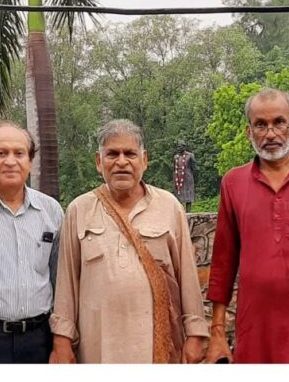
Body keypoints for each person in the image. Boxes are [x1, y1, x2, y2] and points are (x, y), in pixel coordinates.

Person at [50, 119, 208, 364]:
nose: (121, 162)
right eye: (112, 154)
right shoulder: (79, 210)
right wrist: (62, 342)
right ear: (98, 162)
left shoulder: (168, 207)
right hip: (97, 348)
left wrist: (196, 334)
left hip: (155, 347)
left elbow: (187, 275)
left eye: (130, 154)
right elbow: (66, 283)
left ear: (144, 160)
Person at [206, 89, 289, 363]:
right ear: (249, 132)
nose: (271, 134)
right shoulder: (233, 183)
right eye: (261, 125)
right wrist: (217, 331)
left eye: (279, 122)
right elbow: (224, 261)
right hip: (255, 326)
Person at [0, 121, 64, 364]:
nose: (10, 161)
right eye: (1, 153)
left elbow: (60, 278)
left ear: (30, 161)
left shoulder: (50, 211)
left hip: (40, 338)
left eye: (19, 153)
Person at [173, 141, 196, 212]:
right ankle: (180, 211)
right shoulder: (176, 157)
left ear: (184, 147)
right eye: (177, 147)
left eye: (180, 146)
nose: (178, 148)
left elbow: (193, 167)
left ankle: (188, 211)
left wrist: (188, 173)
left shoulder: (190, 155)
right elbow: (175, 167)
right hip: (178, 177)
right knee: (179, 193)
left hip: (187, 176)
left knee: (188, 192)